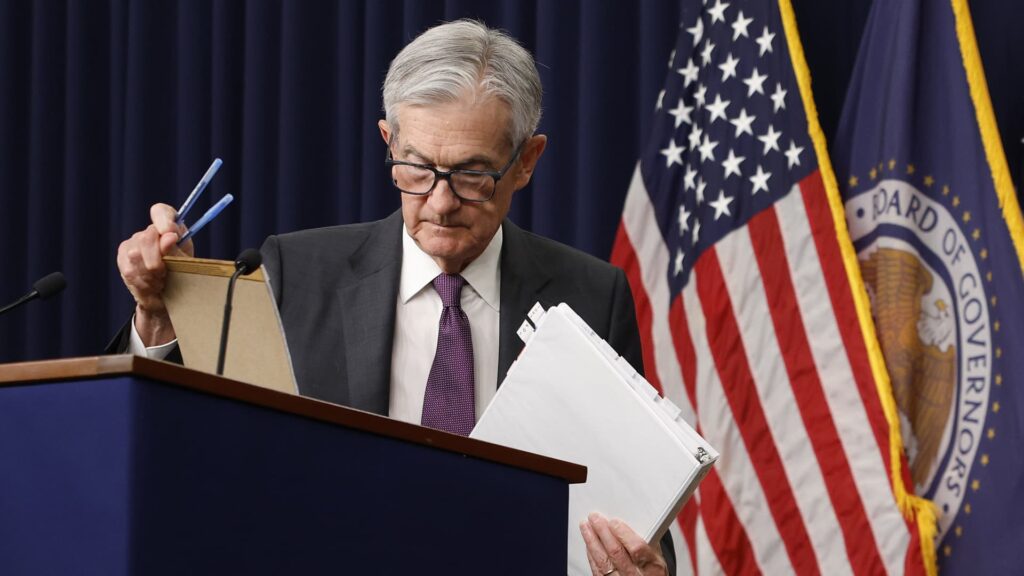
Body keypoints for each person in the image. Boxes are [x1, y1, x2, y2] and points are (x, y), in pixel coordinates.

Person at [111, 19, 672, 576]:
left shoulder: (592, 297)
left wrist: (645, 569)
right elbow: (188, 449)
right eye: (417, 169)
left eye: (472, 175)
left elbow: (635, 518)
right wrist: (159, 315)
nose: (441, 203)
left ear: (526, 161)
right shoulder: (292, 273)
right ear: (389, 142)